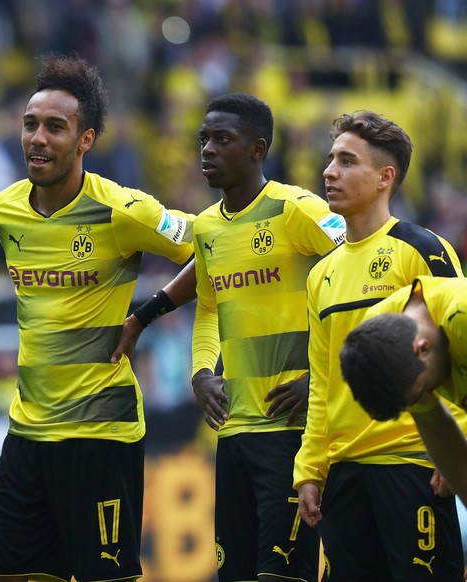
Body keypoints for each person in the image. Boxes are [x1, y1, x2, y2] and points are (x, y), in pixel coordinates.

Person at [0, 54, 196, 582]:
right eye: (30, 124)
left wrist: (148, 313)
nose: (38, 138)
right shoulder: (3, 211)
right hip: (28, 431)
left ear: (86, 141)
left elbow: (214, 246)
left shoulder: (125, 211)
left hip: (101, 434)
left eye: (56, 127)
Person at [123, 93, 344, 582]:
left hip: (292, 430)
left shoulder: (297, 210)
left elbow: (361, 273)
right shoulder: (205, 228)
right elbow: (207, 304)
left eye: (222, 139)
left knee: (284, 575)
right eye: (203, 138)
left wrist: (320, 377)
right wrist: (202, 372)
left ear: (256, 149)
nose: (207, 149)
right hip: (234, 431)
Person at [294, 111, 465, 581]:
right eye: (330, 160)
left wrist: (456, 450)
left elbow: (459, 354)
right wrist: (310, 467)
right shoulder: (320, 275)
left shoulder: (422, 249)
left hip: (413, 459)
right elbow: (324, 381)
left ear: (385, 177)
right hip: (346, 471)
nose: (329, 172)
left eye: (347, 161)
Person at [340, 276, 467, 503]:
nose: (424, 398)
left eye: (421, 392)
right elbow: (438, 430)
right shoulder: (381, 340)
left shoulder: (461, 316)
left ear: (422, 348)